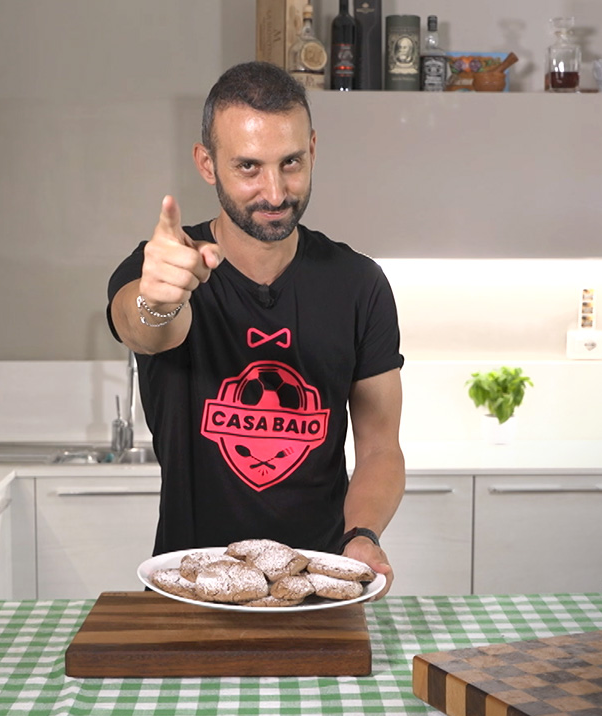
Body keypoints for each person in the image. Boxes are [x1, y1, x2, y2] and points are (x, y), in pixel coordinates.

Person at [106, 61, 404, 594]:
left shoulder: (359, 284)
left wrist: (362, 536)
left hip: (314, 586)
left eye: (291, 162)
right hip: (189, 583)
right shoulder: (165, 266)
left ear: (313, 148)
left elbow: (381, 447)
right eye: (248, 167)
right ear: (206, 163)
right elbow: (145, 329)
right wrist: (159, 300)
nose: (274, 191)